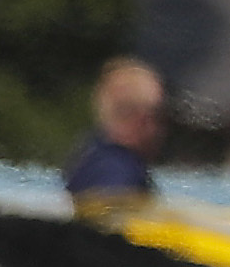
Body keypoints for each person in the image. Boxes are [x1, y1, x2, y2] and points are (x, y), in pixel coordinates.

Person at [64, 58, 161, 197]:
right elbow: (113, 214)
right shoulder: (118, 172)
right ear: (144, 119)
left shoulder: (90, 155)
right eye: (159, 116)